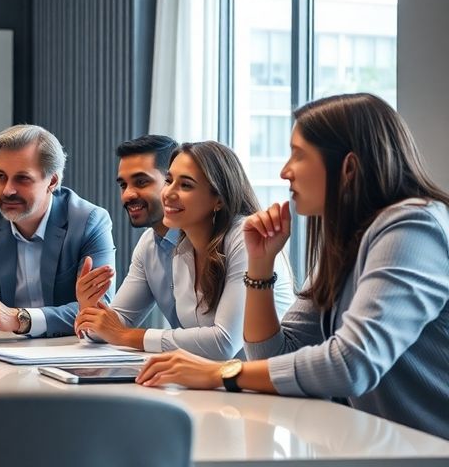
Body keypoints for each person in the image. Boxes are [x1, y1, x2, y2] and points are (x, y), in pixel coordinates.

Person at [136, 93, 449, 440]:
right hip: (390, 447)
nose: (285, 171)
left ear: (347, 167)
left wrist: (221, 372)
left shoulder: (412, 228)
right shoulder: (347, 242)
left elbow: (351, 363)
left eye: (298, 155)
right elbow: (272, 353)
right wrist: (260, 265)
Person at [75, 139, 294, 359]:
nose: (168, 192)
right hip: (213, 383)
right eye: (169, 181)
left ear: (218, 199)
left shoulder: (245, 237)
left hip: (265, 383)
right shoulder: (181, 244)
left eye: (186, 185)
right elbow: (113, 327)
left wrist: (125, 335)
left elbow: (224, 343)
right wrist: (91, 311)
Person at [0, 124, 116, 338]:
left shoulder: (88, 221)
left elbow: (98, 311)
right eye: (1, 176)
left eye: (22, 178)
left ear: (52, 181)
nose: (8, 190)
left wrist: (19, 318)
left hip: (68, 356)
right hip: (0, 361)